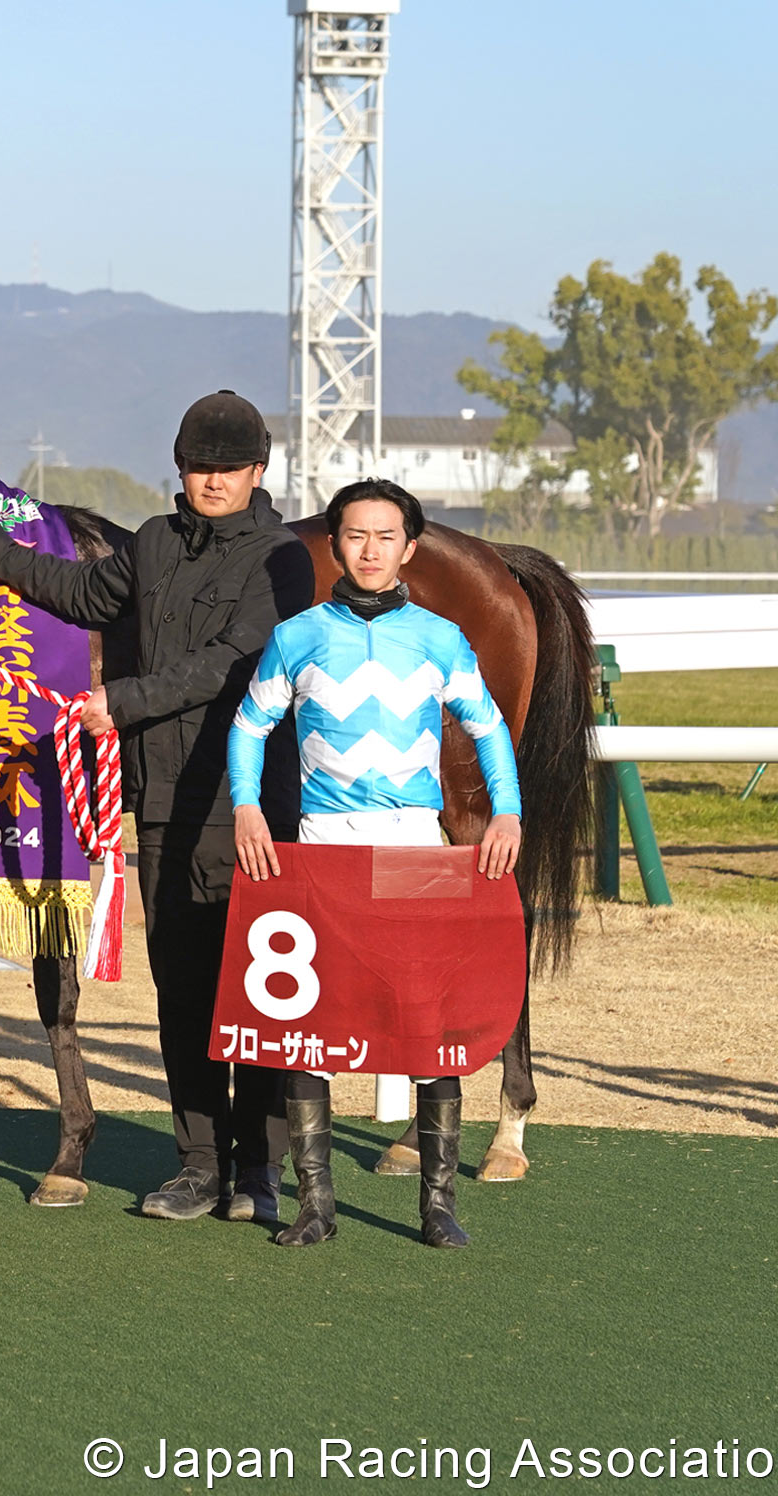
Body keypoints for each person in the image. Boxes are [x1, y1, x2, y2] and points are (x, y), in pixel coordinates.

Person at [0, 390, 314, 1224]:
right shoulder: (152, 543)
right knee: (181, 991)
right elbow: (79, 593)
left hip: (249, 804)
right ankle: (196, 1165)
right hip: (162, 807)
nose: (212, 480)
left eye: (228, 468)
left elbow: (238, 662)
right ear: (180, 469)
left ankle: (257, 1168)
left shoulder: (282, 559)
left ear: (259, 472)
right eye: (198, 466)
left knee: (255, 991)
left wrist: (125, 699)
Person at [227, 478, 521, 1249]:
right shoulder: (297, 636)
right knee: (310, 1029)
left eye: (384, 537)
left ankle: (437, 1204)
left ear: (409, 548)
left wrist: (508, 811)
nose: (369, 550)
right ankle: (314, 1206)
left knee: (431, 1026)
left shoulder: (440, 636)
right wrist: (248, 806)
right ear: (336, 543)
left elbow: (488, 728)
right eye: (355, 536)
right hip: (324, 847)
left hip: (415, 849)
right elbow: (248, 725)